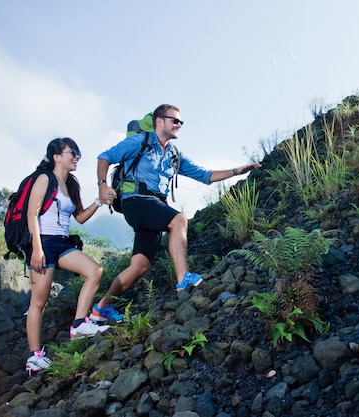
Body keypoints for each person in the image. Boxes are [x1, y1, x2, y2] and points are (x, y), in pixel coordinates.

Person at [90, 104, 261, 323]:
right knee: (179, 220)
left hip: (153, 206)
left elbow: (204, 175)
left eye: (181, 122)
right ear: (159, 121)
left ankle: (101, 308)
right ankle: (183, 281)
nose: (179, 125)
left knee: (139, 266)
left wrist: (237, 171)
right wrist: (102, 185)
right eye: (175, 120)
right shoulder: (138, 142)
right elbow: (104, 157)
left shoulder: (173, 154)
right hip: (136, 201)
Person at [25, 137, 110, 375]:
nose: (76, 157)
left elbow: (80, 217)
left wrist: (99, 201)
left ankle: (79, 324)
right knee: (39, 302)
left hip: (62, 242)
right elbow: (32, 214)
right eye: (71, 152)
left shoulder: (71, 183)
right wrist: (37, 248)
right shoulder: (45, 179)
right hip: (43, 242)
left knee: (95, 271)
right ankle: (34, 357)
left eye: (77, 153)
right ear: (56, 156)